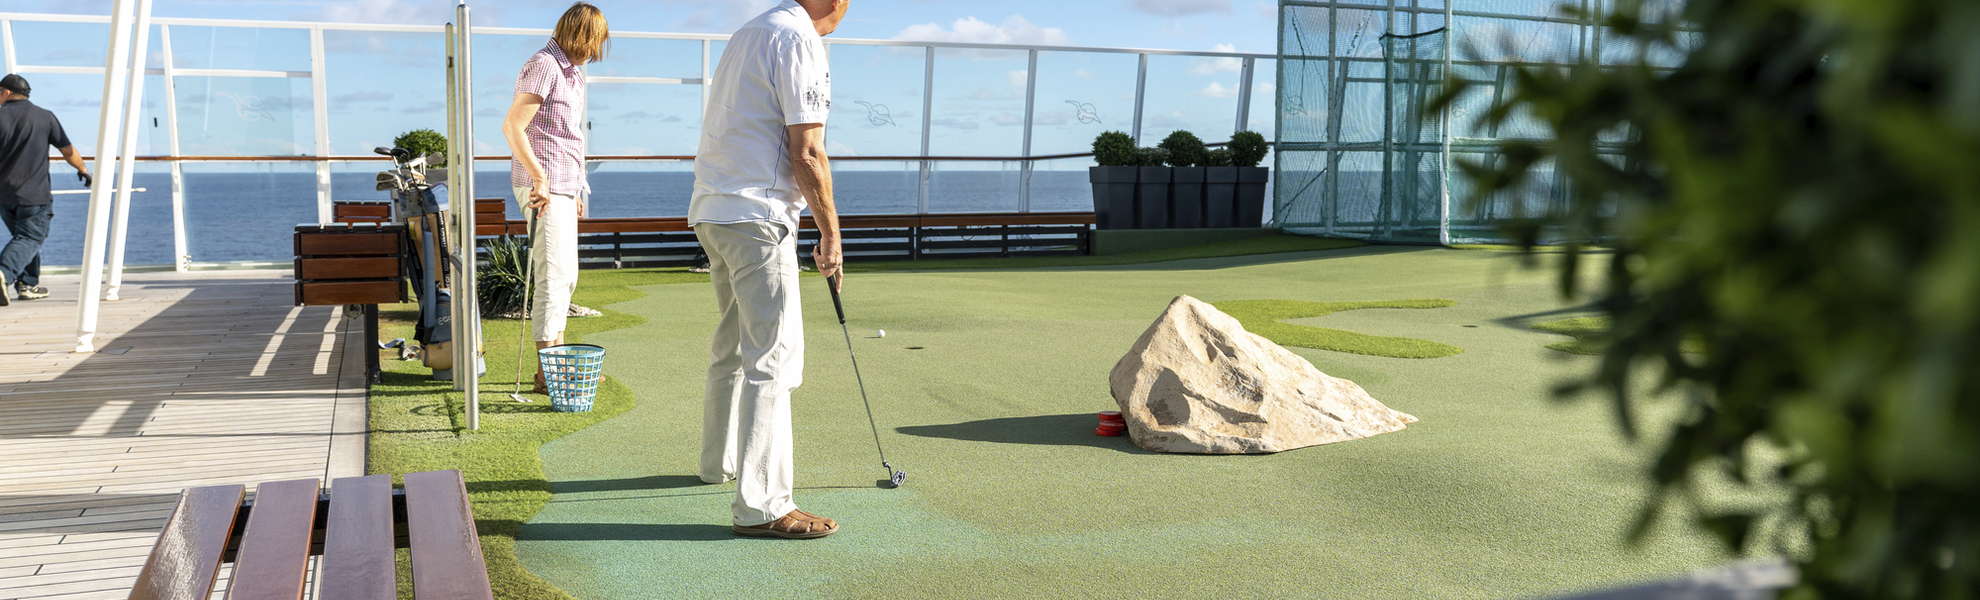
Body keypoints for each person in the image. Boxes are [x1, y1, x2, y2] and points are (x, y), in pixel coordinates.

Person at [689, 0, 849, 540]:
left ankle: (718, 464)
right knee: (773, 361)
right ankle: (763, 505)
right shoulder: (800, 39)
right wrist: (831, 234)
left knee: (734, 346)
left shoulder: (750, 32)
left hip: (714, 209)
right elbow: (808, 151)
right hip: (758, 215)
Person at [501, 2, 606, 393]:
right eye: (592, 42)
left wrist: (576, 186)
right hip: (542, 187)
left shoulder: (573, 74)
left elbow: (568, 136)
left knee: (566, 277)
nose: (593, 52)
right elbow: (513, 127)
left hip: (562, 185)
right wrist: (540, 178)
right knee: (553, 276)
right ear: (579, 35)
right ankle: (549, 374)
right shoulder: (544, 65)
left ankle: (555, 365)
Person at [0, 74, 88, 305]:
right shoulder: (44, 116)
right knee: (29, 237)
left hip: (3, 195)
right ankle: (3, 273)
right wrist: (84, 170)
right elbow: (68, 151)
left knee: (23, 238)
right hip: (33, 194)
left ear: (6, 92)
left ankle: (28, 285)